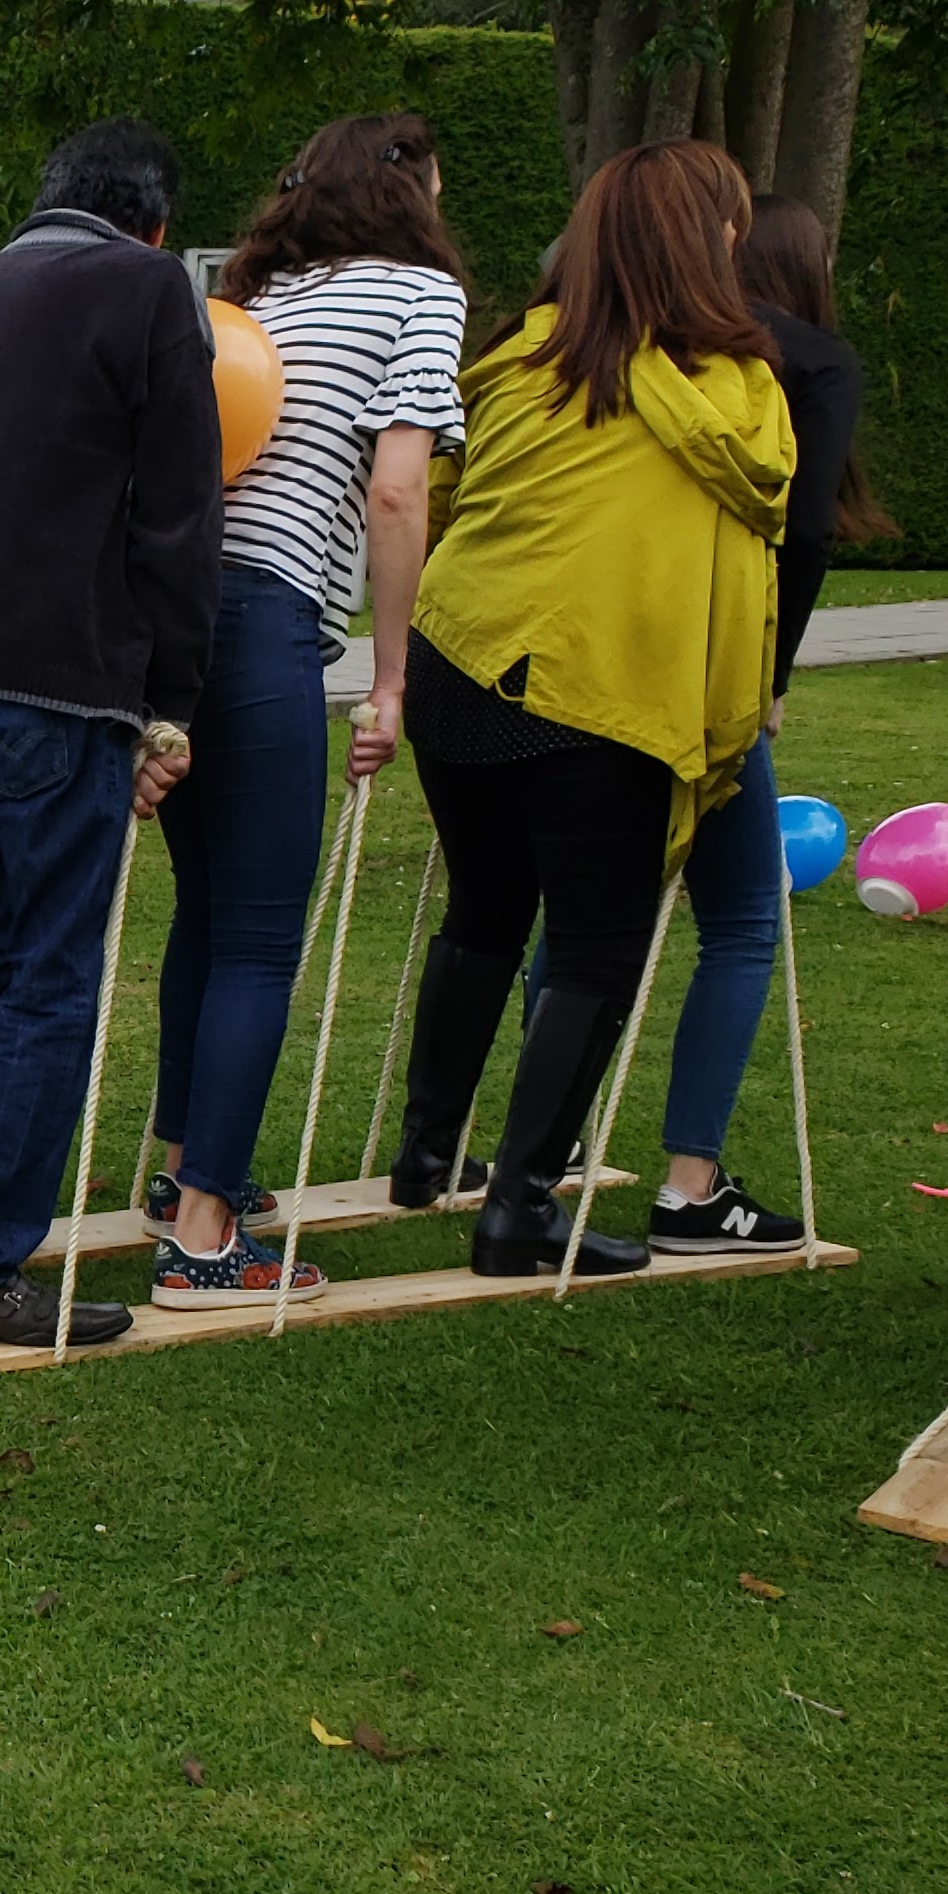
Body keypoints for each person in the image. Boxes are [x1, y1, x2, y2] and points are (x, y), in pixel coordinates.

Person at [388, 138, 787, 1280]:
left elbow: (457, 493)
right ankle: (517, 1208)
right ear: (705, 241)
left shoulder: (522, 358)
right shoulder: (736, 387)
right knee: (601, 947)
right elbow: (766, 494)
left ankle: (429, 1155)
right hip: (594, 690)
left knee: (488, 907)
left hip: (461, 666)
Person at [0, 117, 221, 1347]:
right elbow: (180, 512)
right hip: (53, 678)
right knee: (49, 977)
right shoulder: (146, 293)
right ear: (158, 224)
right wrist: (173, 698)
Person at [139, 113, 471, 1309]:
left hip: (173, 618)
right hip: (268, 617)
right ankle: (207, 1236)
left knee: (208, 913)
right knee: (263, 936)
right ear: (417, 194)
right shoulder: (423, 294)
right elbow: (395, 486)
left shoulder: (257, 290)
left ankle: (179, 1173)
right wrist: (392, 679)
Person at [543, 194, 898, 1256]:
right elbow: (802, 534)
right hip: (708, 672)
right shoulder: (806, 362)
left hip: (601, 665)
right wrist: (769, 670)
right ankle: (689, 1184)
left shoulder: (634, 346)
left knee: (584, 912)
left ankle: (537, 1154)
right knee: (740, 917)